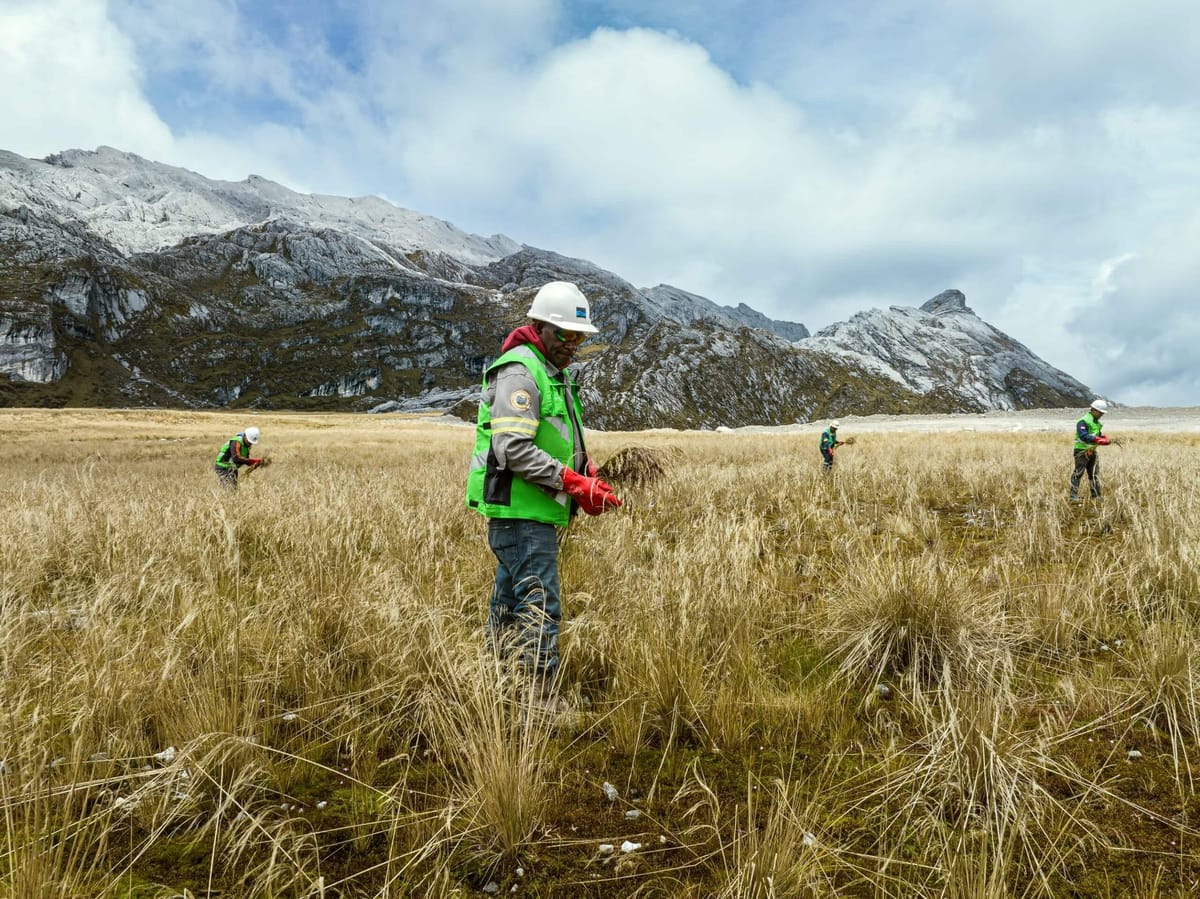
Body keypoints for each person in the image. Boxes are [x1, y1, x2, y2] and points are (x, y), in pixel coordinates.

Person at [466, 281, 623, 702]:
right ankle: (539, 702)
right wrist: (572, 483)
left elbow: (556, 439)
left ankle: (496, 684)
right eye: (565, 334)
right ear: (539, 327)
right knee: (540, 606)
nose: (572, 345)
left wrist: (586, 472)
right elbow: (512, 449)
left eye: (579, 337)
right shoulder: (520, 372)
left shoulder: (556, 375)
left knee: (509, 602)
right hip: (522, 512)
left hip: (533, 510)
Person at [1070, 399, 1111, 501]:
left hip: (1092, 451)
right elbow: (1083, 436)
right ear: (1094, 410)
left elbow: (1096, 434)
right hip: (1081, 451)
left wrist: (1103, 437)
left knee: (1094, 473)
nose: (1101, 415)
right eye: (1100, 413)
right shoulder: (1083, 421)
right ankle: (1073, 496)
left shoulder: (1096, 423)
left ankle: (1096, 495)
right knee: (1078, 473)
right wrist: (1098, 439)